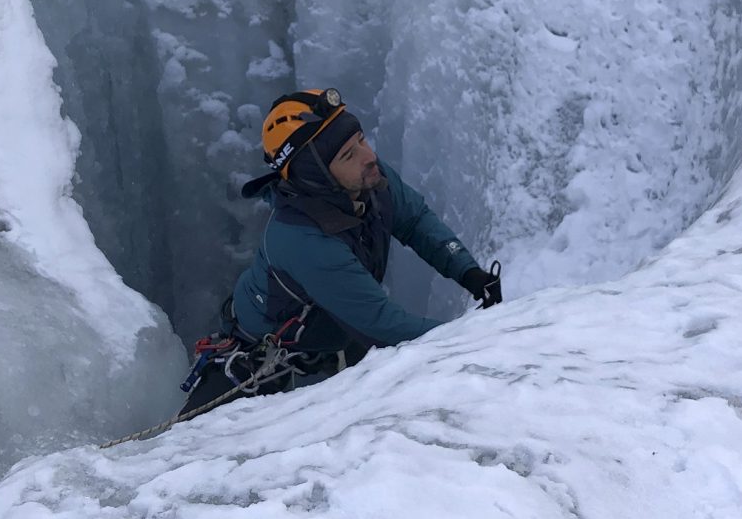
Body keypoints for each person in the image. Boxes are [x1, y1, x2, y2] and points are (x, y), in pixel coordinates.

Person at [179, 88, 501, 415]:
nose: (368, 156)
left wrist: (470, 273)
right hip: (263, 357)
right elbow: (384, 324)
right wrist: (476, 337)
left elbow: (415, 221)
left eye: (361, 140)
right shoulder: (302, 239)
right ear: (315, 176)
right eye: (348, 154)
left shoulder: (369, 180)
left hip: (336, 334)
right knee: (192, 441)